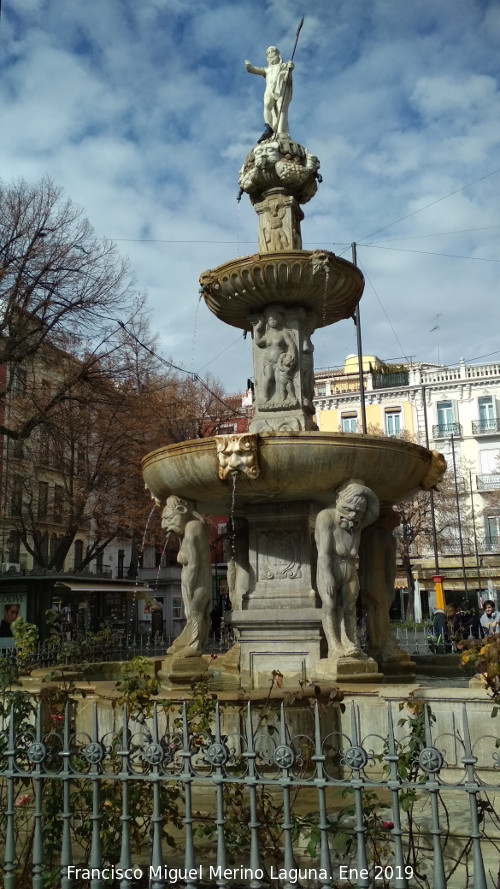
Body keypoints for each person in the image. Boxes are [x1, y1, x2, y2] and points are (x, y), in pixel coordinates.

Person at [315, 481, 379, 659]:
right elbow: (324, 553)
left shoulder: (356, 522)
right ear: (338, 500)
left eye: (358, 512)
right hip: (330, 566)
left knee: (349, 607)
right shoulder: (326, 517)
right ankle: (334, 645)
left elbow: (375, 512)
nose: (352, 515)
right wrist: (327, 576)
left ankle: (350, 642)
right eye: (348, 509)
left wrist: (364, 491)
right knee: (329, 604)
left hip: (350, 569)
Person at [161, 496, 212, 659]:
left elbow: (194, 563)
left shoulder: (192, 527)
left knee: (195, 611)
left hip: (197, 580)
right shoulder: (195, 526)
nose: (163, 525)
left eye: (168, 519)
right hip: (196, 578)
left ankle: (195, 646)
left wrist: (189, 589)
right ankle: (187, 642)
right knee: (193, 613)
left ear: (182, 511)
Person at [245, 46, 294, 141]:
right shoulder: (267, 69)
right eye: (268, 53)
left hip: (280, 90)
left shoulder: (283, 66)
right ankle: (269, 127)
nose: (271, 53)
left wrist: (290, 69)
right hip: (269, 90)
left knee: (281, 109)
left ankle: (280, 132)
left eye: (273, 51)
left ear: (278, 55)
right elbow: (254, 70)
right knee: (267, 106)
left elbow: (287, 78)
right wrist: (248, 66)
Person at [251, 306, 297, 406]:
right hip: (268, 360)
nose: (272, 321)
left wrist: (292, 355)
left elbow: (291, 344)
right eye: (270, 319)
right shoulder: (267, 335)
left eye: (274, 318)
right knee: (268, 378)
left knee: (279, 380)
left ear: (279, 320)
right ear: (267, 321)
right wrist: (258, 330)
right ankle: (265, 398)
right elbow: (258, 342)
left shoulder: (283, 333)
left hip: (279, 361)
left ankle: (282, 399)